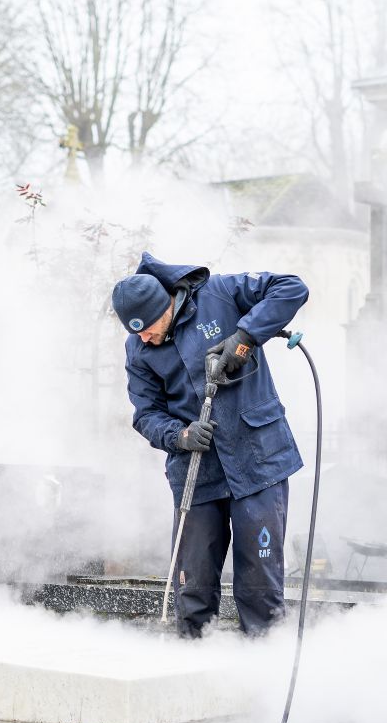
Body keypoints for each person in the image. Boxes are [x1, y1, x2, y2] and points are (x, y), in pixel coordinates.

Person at [111, 251, 309, 637]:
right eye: (135, 332)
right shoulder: (139, 349)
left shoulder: (219, 294)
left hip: (258, 459)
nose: (144, 337)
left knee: (259, 577)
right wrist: (179, 436)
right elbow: (146, 413)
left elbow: (292, 288)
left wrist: (244, 338)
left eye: (149, 327)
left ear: (166, 304)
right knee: (194, 582)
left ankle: (265, 667)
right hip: (196, 471)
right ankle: (192, 667)